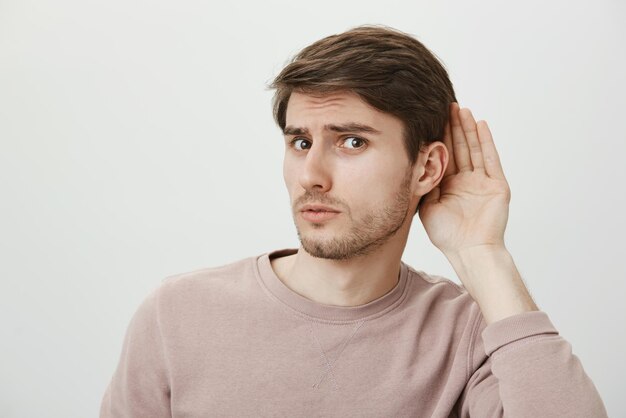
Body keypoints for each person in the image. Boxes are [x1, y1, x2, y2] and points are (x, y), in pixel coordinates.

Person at [100, 25, 607, 417]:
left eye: (352, 142)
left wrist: (483, 254)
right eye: (300, 142)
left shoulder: (474, 334)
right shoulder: (177, 315)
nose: (312, 176)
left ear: (426, 167)